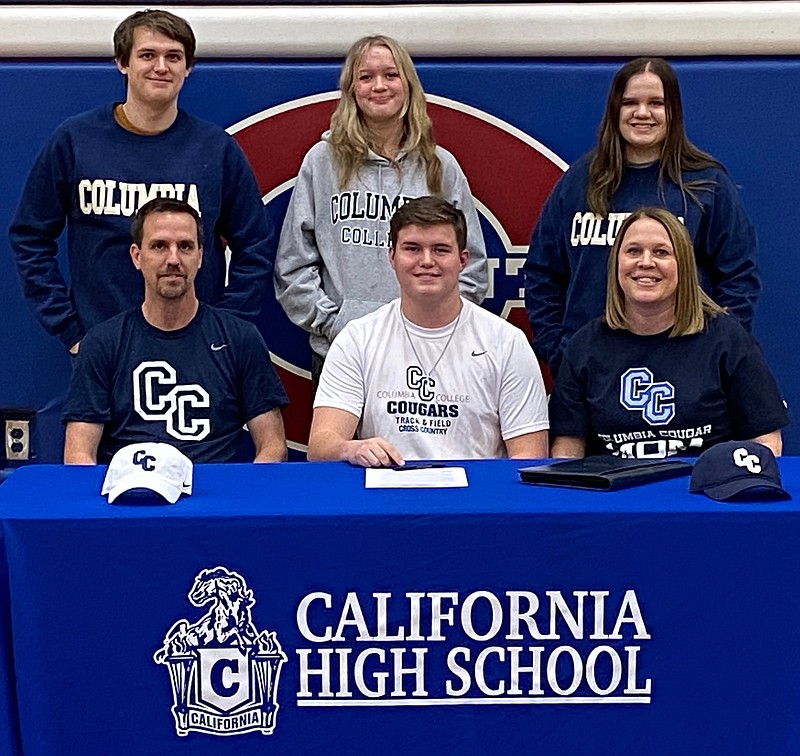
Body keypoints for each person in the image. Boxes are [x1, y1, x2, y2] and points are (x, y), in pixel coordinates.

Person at [9, 9, 274, 356]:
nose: (161, 67)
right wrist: (70, 329)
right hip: (101, 349)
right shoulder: (75, 140)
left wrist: (224, 326)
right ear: (123, 62)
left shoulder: (216, 149)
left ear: (188, 67)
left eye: (174, 57)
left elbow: (255, 244)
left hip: (196, 351)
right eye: (148, 55)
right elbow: (30, 236)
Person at [524, 57, 760, 377]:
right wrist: (558, 351)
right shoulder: (579, 181)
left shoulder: (706, 184)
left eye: (656, 103)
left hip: (684, 371)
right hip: (592, 372)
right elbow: (542, 272)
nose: (642, 113)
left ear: (673, 111)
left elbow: (739, 278)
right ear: (614, 110)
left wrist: (716, 352)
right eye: (630, 102)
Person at [274, 35, 488, 386]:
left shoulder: (440, 167)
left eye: (390, 75)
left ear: (408, 85)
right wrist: (334, 322)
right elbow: (292, 265)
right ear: (351, 89)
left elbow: (472, 265)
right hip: (342, 354)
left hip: (429, 356)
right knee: (339, 444)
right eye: (366, 77)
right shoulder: (322, 162)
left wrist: (434, 327)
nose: (379, 86)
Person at [308, 196, 548, 467]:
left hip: (475, 503)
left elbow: (530, 457)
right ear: (392, 257)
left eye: (440, 250)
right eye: (412, 248)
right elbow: (321, 445)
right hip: (384, 498)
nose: (426, 261)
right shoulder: (357, 339)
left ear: (463, 260)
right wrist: (350, 449)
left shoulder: (506, 342)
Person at [549, 207, 787, 460]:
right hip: (614, 496)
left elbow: (766, 440)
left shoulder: (727, 339)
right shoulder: (583, 347)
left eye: (661, 252)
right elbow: (567, 448)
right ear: (616, 263)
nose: (646, 262)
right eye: (633, 251)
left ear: (683, 265)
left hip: (706, 493)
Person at [63, 199, 288, 464]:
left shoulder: (239, 339)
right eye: (159, 246)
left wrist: (241, 500)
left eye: (185, 246)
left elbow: (273, 446)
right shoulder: (102, 344)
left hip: (215, 499)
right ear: (137, 256)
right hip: (129, 496)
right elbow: (78, 455)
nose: (173, 259)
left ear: (200, 256)